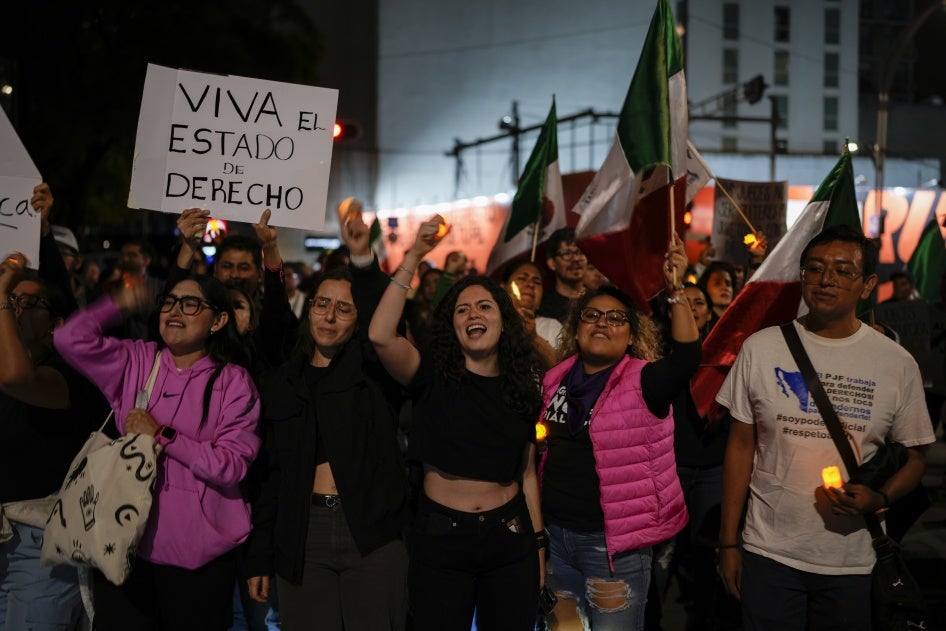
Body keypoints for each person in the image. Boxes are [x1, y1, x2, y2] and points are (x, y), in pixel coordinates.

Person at [715, 225, 936, 630]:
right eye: (814, 268)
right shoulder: (761, 348)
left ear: (868, 285)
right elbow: (740, 447)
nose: (825, 279)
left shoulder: (896, 363)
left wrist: (879, 496)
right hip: (769, 553)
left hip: (853, 560)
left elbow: (916, 456)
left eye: (842, 270)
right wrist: (728, 542)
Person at [54, 275, 261, 630]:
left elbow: (231, 466)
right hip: (125, 550)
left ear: (219, 320)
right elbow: (68, 339)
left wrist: (163, 434)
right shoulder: (137, 360)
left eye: (191, 304)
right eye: (169, 301)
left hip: (198, 564)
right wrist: (120, 303)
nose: (175, 311)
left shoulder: (233, 382)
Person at [369, 217, 546, 631]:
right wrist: (413, 255)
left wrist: (538, 547)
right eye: (462, 310)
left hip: (510, 536)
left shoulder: (522, 386)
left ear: (503, 320)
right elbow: (380, 335)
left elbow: (527, 473)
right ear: (452, 326)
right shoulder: (430, 373)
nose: (473, 314)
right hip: (441, 537)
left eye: (484, 306)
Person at [244, 211, 409, 631]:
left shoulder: (375, 372)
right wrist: (270, 251)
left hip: (371, 533)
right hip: (303, 534)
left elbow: (386, 324)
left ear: (360, 321)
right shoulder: (285, 377)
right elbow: (270, 475)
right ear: (309, 309)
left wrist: (362, 259)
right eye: (321, 304)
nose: (329, 316)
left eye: (344, 309)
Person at [539, 234, 699, 631]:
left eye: (615, 318)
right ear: (576, 329)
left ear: (632, 335)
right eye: (591, 316)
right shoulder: (555, 379)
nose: (602, 323)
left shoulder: (645, 381)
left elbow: (686, 360)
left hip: (611, 550)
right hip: (555, 540)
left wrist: (676, 290)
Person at [500, 258, 560, 366]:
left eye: (536, 282)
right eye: (522, 278)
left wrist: (533, 337)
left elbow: (562, 368)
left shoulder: (551, 326)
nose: (530, 285)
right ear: (503, 288)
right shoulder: (492, 322)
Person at [538, 228, 586, 323]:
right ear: (552, 263)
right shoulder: (541, 305)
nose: (575, 259)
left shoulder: (597, 299)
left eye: (579, 252)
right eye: (567, 254)